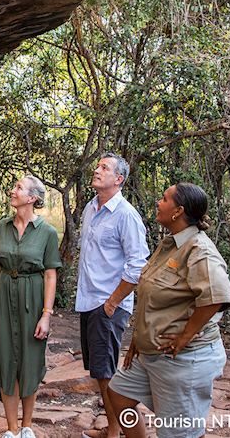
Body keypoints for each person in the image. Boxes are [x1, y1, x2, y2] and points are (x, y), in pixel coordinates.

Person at [108, 182, 230, 438]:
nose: (158, 202)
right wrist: (140, 340)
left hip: (183, 359)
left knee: (178, 433)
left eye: (164, 199)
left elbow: (215, 297)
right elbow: (153, 295)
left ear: (178, 211)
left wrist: (185, 336)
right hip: (149, 353)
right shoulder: (169, 245)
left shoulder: (200, 250)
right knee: (119, 395)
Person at [0, 175, 62, 438]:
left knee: (30, 359)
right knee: (5, 359)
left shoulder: (48, 233)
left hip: (33, 296)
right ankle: (11, 429)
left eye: (18, 188)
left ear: (32, 198)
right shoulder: (2, 227)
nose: (11, 190)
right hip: (4, 295)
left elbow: (51, 275)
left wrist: (46, 315)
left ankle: (27, 427)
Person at [77, 153, 150, 438]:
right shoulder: (90, 208)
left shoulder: (126, 215)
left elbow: (137, 264)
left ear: (118, 179)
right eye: (97, 166)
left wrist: (112, 302)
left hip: (108, 304)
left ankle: (117, 433)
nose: (97, 170)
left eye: (104, 168)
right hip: (89, 300)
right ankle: (113, 427)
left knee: (110, 376)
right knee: (101, 372)